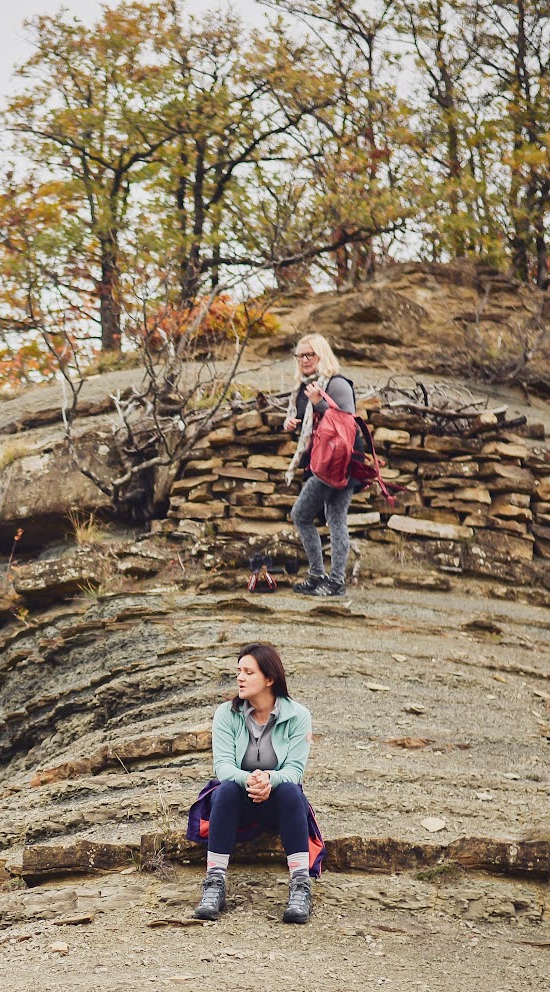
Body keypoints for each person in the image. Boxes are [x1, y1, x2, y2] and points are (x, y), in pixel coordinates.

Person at [189, 642, 320, 924]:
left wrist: (269, 778)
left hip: (278, 802)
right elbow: (223, 767)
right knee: (225, 789)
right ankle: (214, 884)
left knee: (290, 792)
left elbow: (295, 770)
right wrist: (250, 778)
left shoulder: (298, 716)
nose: (240, 677)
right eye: (239, 671)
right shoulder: (227, 713)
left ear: (270, 679)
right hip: (239, 799)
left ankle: (300, 886)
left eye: (248, 672)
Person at [281, 332, 356, 597]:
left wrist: (319, 403)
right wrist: (291, 424)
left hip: (341, 463)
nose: (303, 360)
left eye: (309, 354)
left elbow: (345, 425)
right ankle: (328, 580)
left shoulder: (337, 384)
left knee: (301, 514)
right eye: (299, 355)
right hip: (324, 463)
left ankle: (326, 579)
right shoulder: (304, 387)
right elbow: (309, 428)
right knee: (335, 517)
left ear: (321, 355)